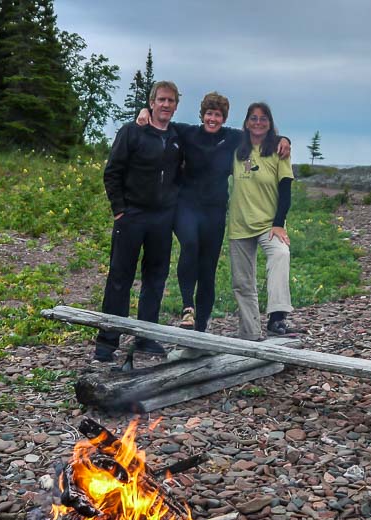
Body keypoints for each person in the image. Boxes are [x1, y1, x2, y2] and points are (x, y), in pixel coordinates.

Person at [136, 93, 289, 334]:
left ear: (224, 118)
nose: (212, 119)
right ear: (202, 115)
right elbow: (162, 122)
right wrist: (145, 111)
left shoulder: (233, 138)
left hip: (215, 209)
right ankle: (188, 307)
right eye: (209, 114)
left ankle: (202, 322)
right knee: (190, 245)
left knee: (208, 266)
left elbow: (261, 133)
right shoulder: (187, 133)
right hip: (187, 206)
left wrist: (284, 139)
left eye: (217, 115)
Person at [94, 81, 182, 361]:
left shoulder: (177, 138)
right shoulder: (132, 132)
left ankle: (145, 336)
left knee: (155, 279)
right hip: (132, 216)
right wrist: (120, 210)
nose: (166, 105)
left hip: (161, 219)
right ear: (152, 102)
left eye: (171, 101)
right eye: (161, 100)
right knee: (120, 278)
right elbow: (113, 172)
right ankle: (107, 342)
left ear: (176, 105)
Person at [228, 102, 295, 341]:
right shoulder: (236, 147)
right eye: (253, 118)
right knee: (242, 282)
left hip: (270, 224)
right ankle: (250, 332)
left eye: (263, 118)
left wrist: (279, 223)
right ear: (246, 122)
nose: (258, 122)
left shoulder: (279, 150)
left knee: (280, 255)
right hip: (240, 224)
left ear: (270, 123)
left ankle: (277, 317)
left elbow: (285, 191)